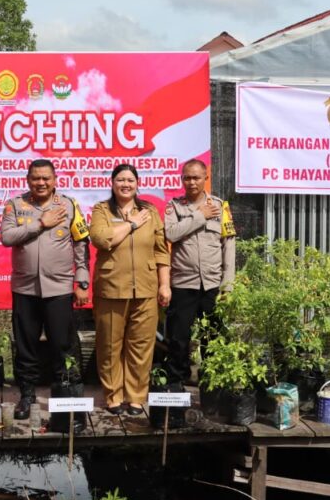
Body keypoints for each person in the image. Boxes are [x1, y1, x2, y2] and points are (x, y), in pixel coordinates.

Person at [0, 159, 90, 420]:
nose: (41, 183)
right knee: (25, 346)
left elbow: (81, 243)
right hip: (25, 289)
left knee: (62, 345)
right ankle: (26, 397)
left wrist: (82, 281)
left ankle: (63, 396)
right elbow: (7, 237)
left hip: (59, 287)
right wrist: (41, 223)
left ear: (55, 180)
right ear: (28, 180)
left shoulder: (69, 205)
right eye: (35, 178)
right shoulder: (16, 205)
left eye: (46, 178)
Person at [88, 163, 171, 416]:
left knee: (142, 344)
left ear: (137, 184)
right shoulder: (102, 210)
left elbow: (160, 249)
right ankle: (113, 396)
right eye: (121, 180)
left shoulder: (150, 211)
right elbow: (101, 239)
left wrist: (165, 283)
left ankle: (136, 397)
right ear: (112, 183)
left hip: (146, 288)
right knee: (109, 345)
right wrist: (131, 224)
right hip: (111, 287)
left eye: (130, 180)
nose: (126, 184)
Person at [163, 159, 236, 385]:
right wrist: (199, 215)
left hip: (213, 284)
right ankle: (178, 381)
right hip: (184, 284)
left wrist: (228, 284)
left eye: (196, 177)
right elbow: (171, 234)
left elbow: (229, 245)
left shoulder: (220, 206)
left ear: (206, 178)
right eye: (187, 177)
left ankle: (212, 380)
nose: (191, 182)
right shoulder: (174, 207)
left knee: (213, 336)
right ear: (182, 179)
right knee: (178, 338)